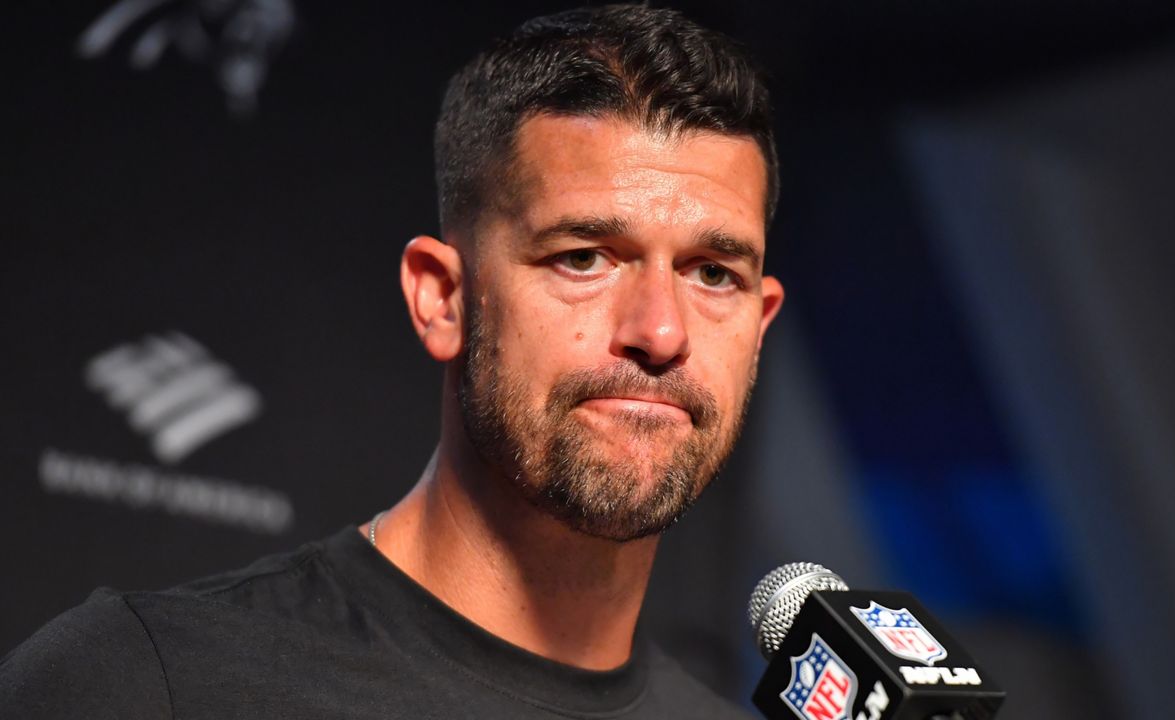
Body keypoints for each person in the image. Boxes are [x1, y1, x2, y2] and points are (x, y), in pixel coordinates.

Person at [1, 5, 784, 718]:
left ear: (759, 324)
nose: (661, 332)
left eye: (715, 274)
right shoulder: (145, 684)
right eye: (584, 257)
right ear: (442, 298)